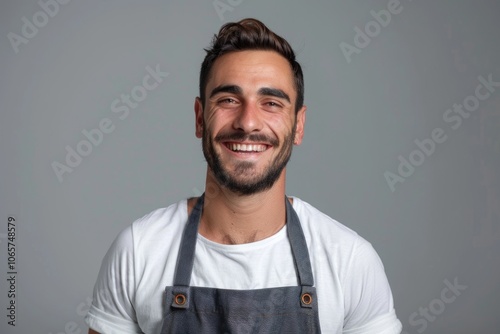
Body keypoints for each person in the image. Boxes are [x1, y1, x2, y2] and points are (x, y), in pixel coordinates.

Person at [85, 18, 402, 334]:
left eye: (271, 103)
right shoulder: (139, 251)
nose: (248, 122)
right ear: (199, 119)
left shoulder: (350, 260)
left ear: (298, 125)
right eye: (228, 100)